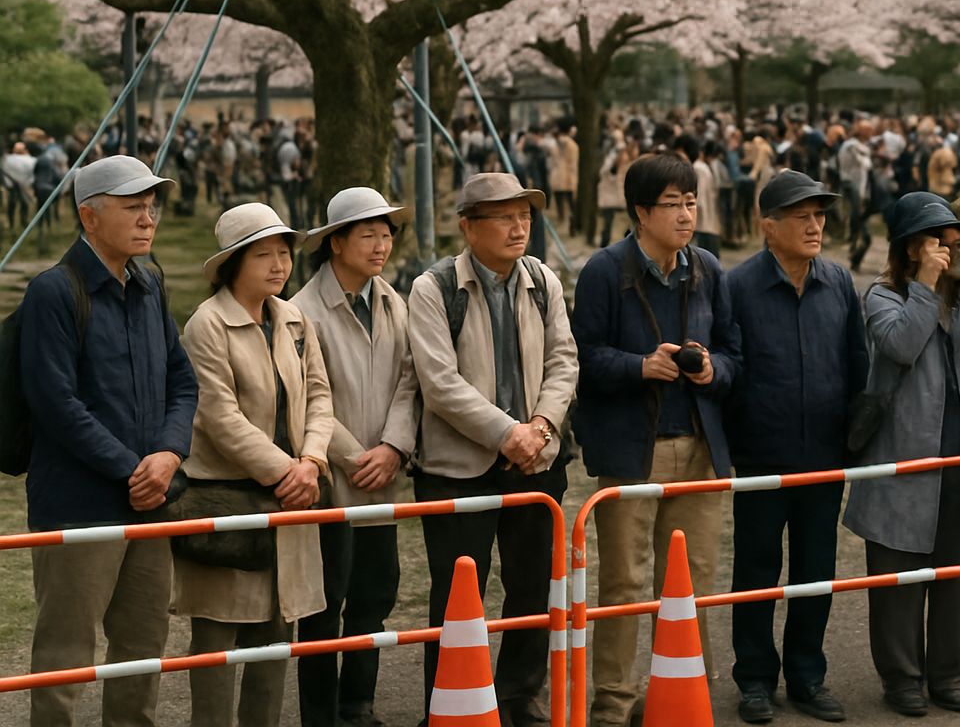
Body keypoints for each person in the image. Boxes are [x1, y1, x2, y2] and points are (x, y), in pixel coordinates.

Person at [19, 156, 196, 727]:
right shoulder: (53, 290)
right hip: (78, 505)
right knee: (65, 655)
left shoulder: (150, 283)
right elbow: (55, 404)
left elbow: (182, 381)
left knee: (143, 649)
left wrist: (168, 455)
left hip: (150, 500)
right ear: (88, 217)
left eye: (151, 206)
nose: (148, 219)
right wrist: (134, 470)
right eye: (132, 207)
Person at [570, 152, 741, 727]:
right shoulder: (604, 270)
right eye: (673, 204)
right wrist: (640, 366)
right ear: (641, 212)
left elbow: (736, 354)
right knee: (624, 584)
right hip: (631, 450)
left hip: (699, 447)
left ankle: (687, 695)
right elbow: (582, 358)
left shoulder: (708, 268)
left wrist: (713, 369)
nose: (687, 214)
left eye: (691, 202)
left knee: (694, 583)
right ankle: (613, 702)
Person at [407, 172, 577, 727]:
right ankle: (449, 704)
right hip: (458, 467)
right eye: (504, 217)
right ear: (468, 226)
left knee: (531, 586)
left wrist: (540, 427)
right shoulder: (434, 288)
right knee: (458, 592)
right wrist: (509, 433)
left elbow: (564, 360)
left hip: (536, 459)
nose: (519, 227)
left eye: (524, 216)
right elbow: (439, 383)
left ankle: (519, 697)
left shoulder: (543, 280)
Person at [844, 192, 960, 717]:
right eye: (940, 243)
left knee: (957, 575)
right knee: (898, 575)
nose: (953, 253)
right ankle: (902, 679)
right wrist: (924, 286)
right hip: (904, 459)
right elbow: (900, 346)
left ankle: (948, 675)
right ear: (910, 248)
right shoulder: (883, 296)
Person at [177, 204, 334, 727]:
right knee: (216, 641)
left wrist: (312, 460)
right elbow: (219, 416)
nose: (279, 264)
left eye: (284, 253)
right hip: (230, 499)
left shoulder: (293, 318)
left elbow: (319, 396)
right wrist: (289, 472)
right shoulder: (206, 324)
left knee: (275, 637)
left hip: (292, 498)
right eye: (263, 254)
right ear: (233, 263)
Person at [725, 172, 868, 724]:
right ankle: (755, 679)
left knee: (816, 570)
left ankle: (808, 675)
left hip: (825, 456)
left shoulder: (839, 281)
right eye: (802, 216)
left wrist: (855, 438)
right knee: (755, 571)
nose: (815, 226)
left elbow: (857, 365)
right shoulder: (738, 286)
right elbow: (730, 368)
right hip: (761, 456)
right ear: (769, 226)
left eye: (820, 215)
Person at [293, 188, 421, 727]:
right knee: (324, 607)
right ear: (336, 243)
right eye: (368, 234)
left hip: (383, 479)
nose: (381, 245)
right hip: (330, 481)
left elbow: (412, 380)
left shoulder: (394, 301)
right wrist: (353, 456)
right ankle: (320, 714)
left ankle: (357, 705)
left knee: (375, 596)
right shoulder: (302, 311)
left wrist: (394, 447)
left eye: (386, 234)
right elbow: (306, 397)